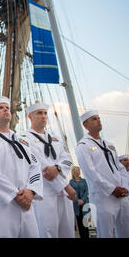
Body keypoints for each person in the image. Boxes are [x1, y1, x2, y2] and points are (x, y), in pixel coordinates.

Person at [0, 97, 43, 238]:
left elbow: (35, 167)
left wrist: (31, 191)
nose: (6, 109)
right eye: (0, 108)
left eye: (7, 107)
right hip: (3, 205)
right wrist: (15, 195)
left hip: (27, 204)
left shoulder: (23, 142)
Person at [75, 110, 129, 238]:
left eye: (98, 118)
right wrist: (112, 189)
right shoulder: (83, 146)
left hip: (121, 195)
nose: (98, 120)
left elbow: (120, 168)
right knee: (105, 233)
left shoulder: (110, 145)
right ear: (86, 125)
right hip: (103, 197)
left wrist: (124, 187)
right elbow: (91, 172)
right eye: (94, 119)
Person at [22, 102, 76, 238]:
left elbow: (67, 158)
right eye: (39, 113)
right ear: (30, 117)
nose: (43, 116)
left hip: (63, 194)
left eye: (45, 113)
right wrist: (66, 186)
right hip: (44, 193)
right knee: (47, 231)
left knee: (68, 231)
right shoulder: (24, 138)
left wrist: (58, 167)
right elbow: (42, 166)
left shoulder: (55, 138)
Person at [69, 166, 90, 238]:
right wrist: (77, 200)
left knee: (85, 222)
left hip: (85, 203)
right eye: (77, 170)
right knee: (80, 222)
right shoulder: (71, 182)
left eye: (79, 170)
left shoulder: (84, 181)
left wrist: (82, 200)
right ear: (74, 172)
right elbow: (71, 192)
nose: (79, 171)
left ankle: (87, 236)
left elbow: (87, 191)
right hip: (76, 204)